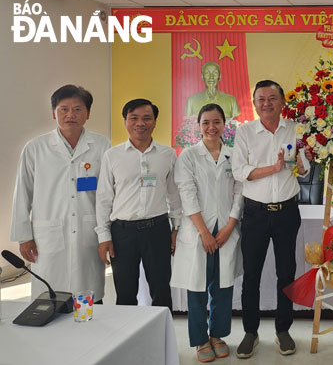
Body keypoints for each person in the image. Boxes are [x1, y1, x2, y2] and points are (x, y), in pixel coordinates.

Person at [231, 80, 310, 359]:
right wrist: (274, 168)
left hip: (287, 212)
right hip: (255, 213)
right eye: (261, 99)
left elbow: (303, 167)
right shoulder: (245, 132)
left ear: (282, 102)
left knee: (286, 273)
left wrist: (301, 165)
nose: (267, 103)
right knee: (251, 275)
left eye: (272, 98)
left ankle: (283, 330)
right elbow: (240, 171)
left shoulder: (295, 128)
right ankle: (250, 332)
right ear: (254, 103)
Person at [10, 85, 110, 301]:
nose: (70, 115)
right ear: (53, 112)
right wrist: (24, 236)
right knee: (50, 294)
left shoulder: (102, 145)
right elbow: (23, 193)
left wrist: (107, 234)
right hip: (49, 233)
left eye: (77, 109)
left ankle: (88, 327)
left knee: (89, 293)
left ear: (88, 113)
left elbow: (109, 194)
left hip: (89, 231)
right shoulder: (35, 148)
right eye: (63, 109)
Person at [171, 103, 244, 362]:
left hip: (226, 228)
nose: (211, 127)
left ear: (225, 125)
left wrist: (229, 226)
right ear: (198, 125)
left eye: (216, 122)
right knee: (197, 288)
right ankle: (201, 340)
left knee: (223, 286)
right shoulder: (188, 156)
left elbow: (240, 192)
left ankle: (218, 335)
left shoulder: (234, 156)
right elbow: (187, 194)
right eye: (206, 122)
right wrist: (204, 232)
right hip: (197, 230)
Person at [96, 98, 182, 310]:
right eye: (133, 118)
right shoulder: (112, 155)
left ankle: (162, 341)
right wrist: (104, 236)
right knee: (125, 293)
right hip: (123, 232)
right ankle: (129, 341)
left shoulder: (167, 154)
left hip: (158, 230)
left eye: (146, 118)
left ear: (154, 122)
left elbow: (174, 195)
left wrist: (176, 228)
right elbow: (104, 198)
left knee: (161, 290)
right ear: (125, 121)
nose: (140, 123)